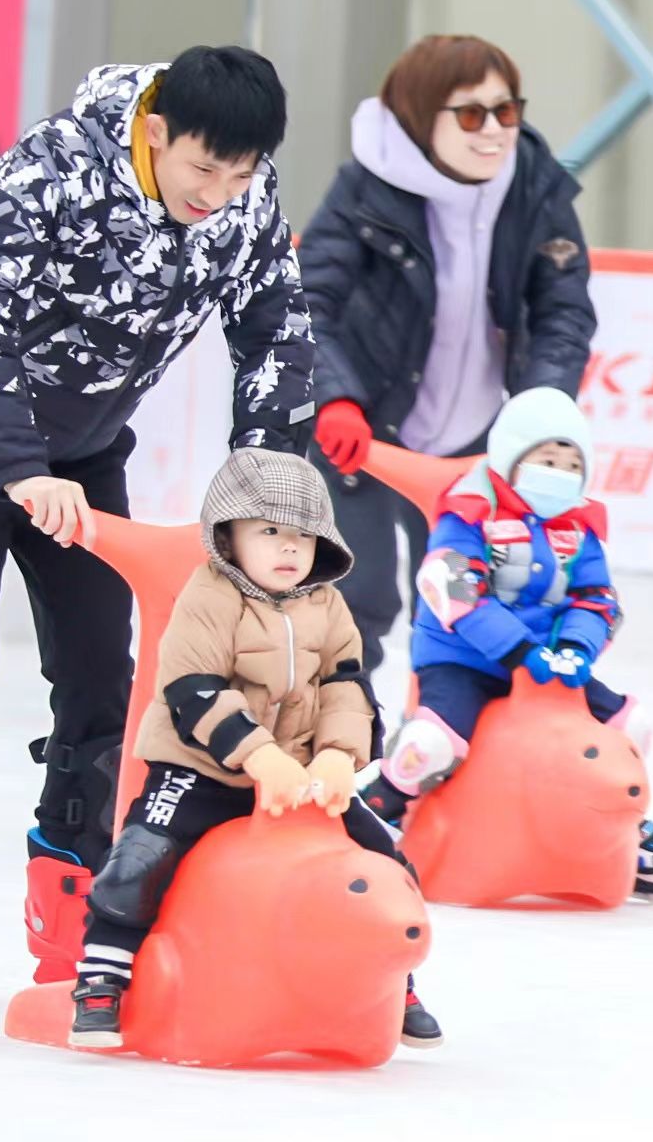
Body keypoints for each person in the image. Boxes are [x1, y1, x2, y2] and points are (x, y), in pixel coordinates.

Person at [0, 50, 315, 980]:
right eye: (206, 169)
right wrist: (18, 468)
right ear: (156, 131)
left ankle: (73, 885)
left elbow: (274, 333)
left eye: (242, 174)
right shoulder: (55, 167)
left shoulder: (243, 197)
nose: (222, 193)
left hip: (82, 454)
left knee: (102, 692)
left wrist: (271, 501)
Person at [71, 450, 440, 1050]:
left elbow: (347, 684)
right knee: (140, 857)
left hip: (300, 774)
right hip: (201, 765)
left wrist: (336, 758)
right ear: (228, 535)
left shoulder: (326, 604)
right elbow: (193, 687)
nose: (289, 548)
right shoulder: (209, 596)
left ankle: (395, 981)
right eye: (270, 531)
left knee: (384, 857)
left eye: (302, 534)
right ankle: (103, 975)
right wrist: (258, 756)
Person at [298, 35, 597, 667]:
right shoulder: (364, 190)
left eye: (505, 110)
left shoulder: (537, 192)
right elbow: (307, 302)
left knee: (464, 608)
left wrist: (540, 408)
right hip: (365, 435)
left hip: (475, 443)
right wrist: (336, 398)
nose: (492, 131)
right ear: (418, 114)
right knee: (353, 605)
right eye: (469, 114)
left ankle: (438, 753)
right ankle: (333, 750)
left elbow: (562, 310)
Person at [356, 387, 653, 900]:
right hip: (463, 657)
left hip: (549, 662)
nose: (558, 472)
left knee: (629, 724)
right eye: (546, 459)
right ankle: (381, 807)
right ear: (511, 460)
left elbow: (597, 597)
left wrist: (577, 648)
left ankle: (629, 828)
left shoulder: (579, 528)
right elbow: (452, 587)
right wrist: (517, 651)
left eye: (571, 462)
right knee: (434, 742)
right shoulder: (470, 512)